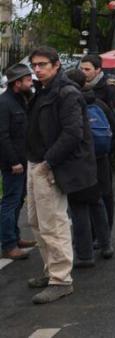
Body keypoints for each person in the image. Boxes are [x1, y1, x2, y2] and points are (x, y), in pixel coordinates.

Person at [25, 46, 97, 304]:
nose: (37, 69)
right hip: (36, 162)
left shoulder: (66, 93)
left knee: (53, 223)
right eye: (35, 65)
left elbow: (72, 134)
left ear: (56, 65)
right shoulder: (44, 91)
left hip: (50, 165)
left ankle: (61, 279)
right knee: (36, 221)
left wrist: (49, 162)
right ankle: (50, 269)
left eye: (42, 64)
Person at [64, 69, 115, 267]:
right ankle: (106, 244)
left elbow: (69, 135)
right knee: (97, 203)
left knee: (78, 209)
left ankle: (85, 255)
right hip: (98, 160)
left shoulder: (69, 103)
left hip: (76, 162)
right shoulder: (98, 103)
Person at [79, 54, 115, 230]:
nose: (83, 73)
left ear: (98, 70)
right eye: (81, 69)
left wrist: (110, 149)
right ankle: (90, 231)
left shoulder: (110, 88)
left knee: (104, 193)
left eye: (87, 69)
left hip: (102, 150)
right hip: (85, 152)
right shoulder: (79, 87)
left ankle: (105, 230)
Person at [0, 63, 36, 260]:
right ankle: (8, 245)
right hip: (12, 163)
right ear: (17, 83)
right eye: (28, 80)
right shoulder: (4, 103)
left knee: (17, 200)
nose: (31, 82)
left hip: (23, 160)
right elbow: (2, 136)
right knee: (10, 202)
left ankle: (14, 237)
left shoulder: (21, 99)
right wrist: (14, 162)